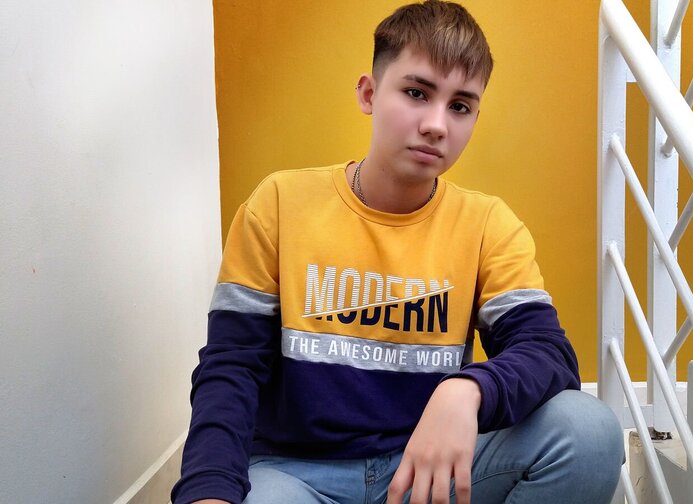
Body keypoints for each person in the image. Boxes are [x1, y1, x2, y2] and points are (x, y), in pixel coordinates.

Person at [171, 1, 623, 503]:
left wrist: (468, 389)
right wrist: (207, 490)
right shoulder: (279, 204)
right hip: (295, 475)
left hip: (428, 469)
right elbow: (231, 367)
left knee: (588, 432)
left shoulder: (487, 224)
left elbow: (547, 352)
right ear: (369, 93)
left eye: (460, 106)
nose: (436, 124)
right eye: (416, 93)